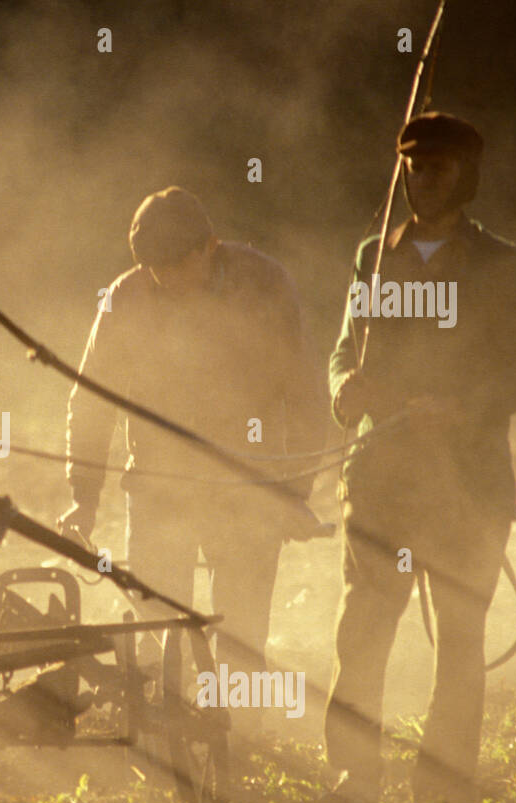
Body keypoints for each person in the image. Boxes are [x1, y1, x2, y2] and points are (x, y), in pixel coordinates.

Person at [324, 113, 516, 803]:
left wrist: (461, 406)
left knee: (459, 647)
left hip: (469, 490)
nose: (422, 179)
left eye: (439, 168)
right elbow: (341, 352)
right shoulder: (371, 257)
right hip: (379, 483)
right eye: (413, 167)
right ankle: (351, 784)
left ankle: (443, 799)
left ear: (467, 177)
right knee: (361, 638)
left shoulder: (499, 265)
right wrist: (342, 391)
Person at [58, 186, 328, 742]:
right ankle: (169, 736)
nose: (165, 282)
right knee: (160, 620)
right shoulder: (123, 298)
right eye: (153, 270)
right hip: (157, 486)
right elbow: (91, 402)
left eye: (176, 267)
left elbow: (304, 390)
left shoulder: (266, 284)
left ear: (210, 246)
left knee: (243, 625)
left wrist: (294, 490)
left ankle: (242, 737)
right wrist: (83, 497)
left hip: (249, 484)